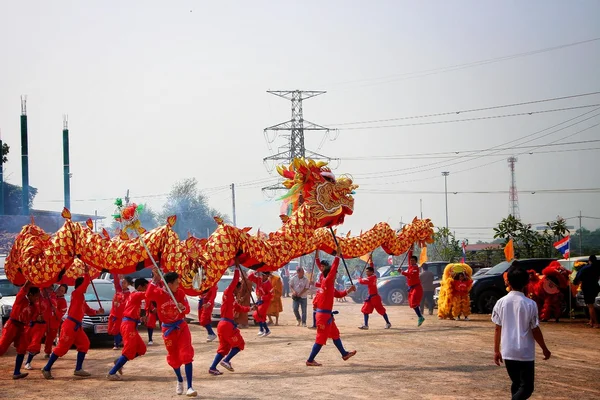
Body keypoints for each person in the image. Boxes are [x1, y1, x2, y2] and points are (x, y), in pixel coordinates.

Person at [492, 263, 551, 400]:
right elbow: (535, 329)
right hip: (525, 351)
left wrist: (496, 350)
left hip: (508, 350)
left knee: (517, 384)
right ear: (526, 282)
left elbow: (497, 328)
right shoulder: (530, 304)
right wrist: (544, 348)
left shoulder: (501, 302)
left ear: (508, 282)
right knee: (527, 387)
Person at [42, 270, 105, 379]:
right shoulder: (76, 293)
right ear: (81, 285)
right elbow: (85, 283)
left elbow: (87, 310)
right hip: (70, 326)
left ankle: (78, 369)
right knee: (62, 348)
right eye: (86, 285)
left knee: (84, 344)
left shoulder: (81, 297)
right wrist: (87, 274)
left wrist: (97, 312)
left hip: (77, 327)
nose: (87, 287)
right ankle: (46, 368)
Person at [146, 268, 197, 397]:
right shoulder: (159, 293)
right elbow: (148, 295)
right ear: (169, 284)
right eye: (176, 283)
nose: (178, 285)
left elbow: (187, 309)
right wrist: (154, 280)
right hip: (168, 330)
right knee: (174, 358)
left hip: (181, 327)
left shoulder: (179, 293)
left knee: (186, 355)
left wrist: (183, 307)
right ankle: (180, 380)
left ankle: (190, 387)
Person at [306, 250, 357, 367]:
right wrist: (337, 257)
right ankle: (310, 360)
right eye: (334, 275)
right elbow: (332, 269)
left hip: (327, 316)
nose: (336, 276)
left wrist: (350, 290)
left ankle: (344, 354)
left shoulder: (327, 285)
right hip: (323, 317)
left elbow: (339, 294)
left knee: (335, 334)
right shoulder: (327, 282)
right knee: (320, 339)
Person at [208, 268, 254, 375]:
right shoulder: (228, 293)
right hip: (227, 325)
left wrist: (251, 309)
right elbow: (234, 282)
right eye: (238, 289)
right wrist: (237, 270)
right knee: (239, 344)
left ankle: (213, 367)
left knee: (223, 348)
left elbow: (240, 308)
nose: (238, 291)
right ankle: (226, 360)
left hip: (223, 325)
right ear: (235, 288)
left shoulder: (232, 300)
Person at [107, 278, 150, 380]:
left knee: (141, 349)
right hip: (128, 325)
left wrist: (140, 318)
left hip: (131, 324)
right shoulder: (136, 294)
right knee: (129, 350)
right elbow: (150, 294)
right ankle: (112, 372)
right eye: (146, 287)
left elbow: (132, 311)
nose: (146, 289)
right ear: (140, 287)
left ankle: (120, 361)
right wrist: (156, 283)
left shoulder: (133, 296)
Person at [0, 283, 38, 379]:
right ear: (30, 295)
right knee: (2, 347)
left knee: (22, 348)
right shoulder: (21, 299)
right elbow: (24, 288)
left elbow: (32, 318)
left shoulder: (34, 307)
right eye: (36, 296)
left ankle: (16, 372)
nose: (37, 298)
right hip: (12, 325)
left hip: (21, 328)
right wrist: (29, 280)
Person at [24, 287, 55, 370]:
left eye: (50, 289)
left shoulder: (50, 300)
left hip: (42, 325)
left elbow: (51, 314)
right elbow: (28, 313)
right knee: (33, 344)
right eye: (47, 289)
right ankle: (27, 362)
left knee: (36, 345)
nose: (49, 291)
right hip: (33, 325)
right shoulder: (34, 299)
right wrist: (35, 317)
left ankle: (28, 361)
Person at [573, 255, 600, 328]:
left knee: (590, 305)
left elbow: (578, 278)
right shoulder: (597, 268)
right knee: (590, 304)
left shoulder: (585, 268)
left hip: (587, 287)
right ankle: (591, 321)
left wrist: (576, 283)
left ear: (589, 260)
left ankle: (596, 323)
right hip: (596, 287)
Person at [108, 275, 132, 350]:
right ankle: (117, 343)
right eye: (122, 282)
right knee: (114, 329)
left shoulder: (129, 294)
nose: (123, 284)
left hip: (122, 315)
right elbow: (116, 283)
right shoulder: (118, 290)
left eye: (124, 283)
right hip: (114, 314)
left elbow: (127, 304)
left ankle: (119, 343)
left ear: (128, 284)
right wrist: (116, 274)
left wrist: (119, 304)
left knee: (120, 329)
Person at [44, 284, 68, 358]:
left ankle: (47, 352)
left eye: (62, 291)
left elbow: (61, 314)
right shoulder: (51, 296)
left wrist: (55, 310)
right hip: (46, 320)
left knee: (50, 338)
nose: (60, 292)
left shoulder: (63, 302)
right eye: (59, 289)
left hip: (54, 322)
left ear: (65, 293)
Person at [247, 271, 273, 337]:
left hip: (265, 302)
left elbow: (271, 296)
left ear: (266, 276)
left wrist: (262, 297)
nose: (262, 276)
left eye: (263, 275)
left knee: (256, 314)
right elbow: (250, 277)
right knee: (262, 316)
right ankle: (265, 330)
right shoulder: (259, 280)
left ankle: (262, 329)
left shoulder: (269, 285)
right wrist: (256, 271)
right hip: (259, 300)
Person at [402, 255, 425, 326]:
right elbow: (409, 255)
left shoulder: (415, 268)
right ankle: (420, 316)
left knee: (414, 302)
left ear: (416, 261)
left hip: (417, 288)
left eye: (413, 260)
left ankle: (420, 316)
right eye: (411, 260)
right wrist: (411, 248)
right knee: (412, 304)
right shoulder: (410, 266)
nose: (411, 261)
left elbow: (411, 275)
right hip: (411, 288)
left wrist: (402, 272)